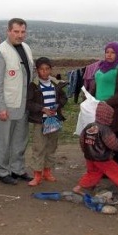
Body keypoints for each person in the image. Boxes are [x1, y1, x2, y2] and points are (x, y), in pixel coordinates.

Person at [0, 18, 34, 185]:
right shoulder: (0, 51)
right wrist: (0, 107)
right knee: (4, 140)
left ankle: (17, 169)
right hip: (7, 105)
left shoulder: (27, 48)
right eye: (16, 31)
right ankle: (1, 171)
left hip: (24, 104)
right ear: (8, 31)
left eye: (23, 32)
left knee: (20, 139)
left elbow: (30, 73)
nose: (19, 35)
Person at [73, 102, 118, 195]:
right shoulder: (105, 130)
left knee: (93, 172)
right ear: (106, 116)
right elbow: (113, 144)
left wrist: (85, 151)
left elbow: (81, 140)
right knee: (116, 171)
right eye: (110, 116)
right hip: (102, 157)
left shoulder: (89, 126)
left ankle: (79, 187)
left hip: (89, 156)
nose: (112, 118)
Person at [89, 42, 118, 168]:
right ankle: (103, 168)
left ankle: (117, 168)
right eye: (107, 52)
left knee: (113, 137)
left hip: (113, 109)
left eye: (113, 52)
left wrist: (107, 103)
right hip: (98, 108)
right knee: (99, 137)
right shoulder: (100, 68)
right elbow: (96, 86)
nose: (109, 55)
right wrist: (89, 98)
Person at [26, 57, 68, 186]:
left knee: (51, 146)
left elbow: (63, 98)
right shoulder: (33, 85)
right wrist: (42, 109)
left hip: (54, 120)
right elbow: (29, 102)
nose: (44, 72)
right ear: (37, 70)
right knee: (39, 147)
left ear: (50, 69)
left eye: (47, 69)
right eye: (41, 69)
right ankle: (37, 175)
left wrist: (57, 106)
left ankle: (47, 172)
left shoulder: (56, 84)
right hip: (40, 121)